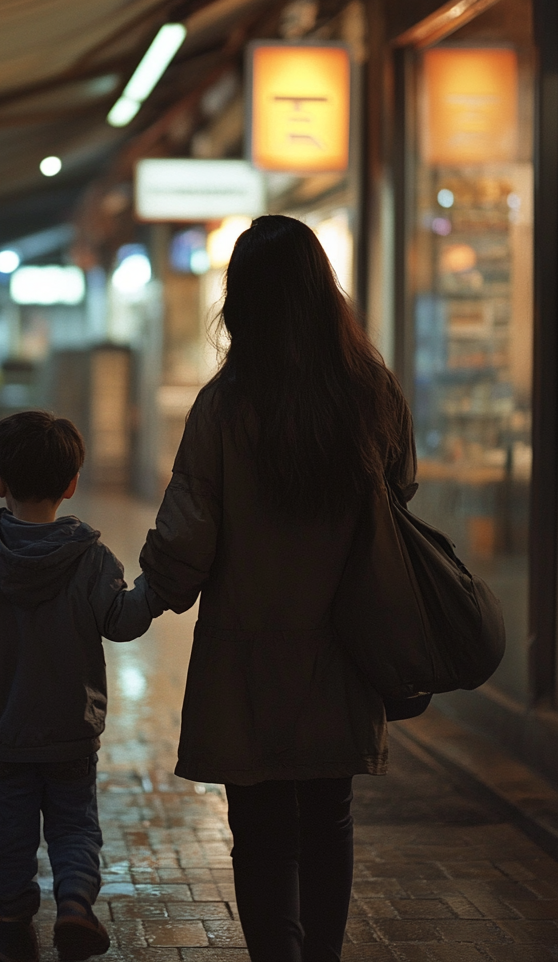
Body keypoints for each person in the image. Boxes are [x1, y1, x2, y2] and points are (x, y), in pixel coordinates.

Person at [139, 215, 417, 962]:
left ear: (242, 304)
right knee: (329, 818)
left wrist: (142, 595)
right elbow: (404, 490)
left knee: (261, 831)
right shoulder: (373, 395)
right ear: (323, 294)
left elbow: (187, 537)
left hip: (249, 656)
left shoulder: (226, 407)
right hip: (345, 644)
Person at [0, 411, 167, 962]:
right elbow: (123, 620)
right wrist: (157, 586)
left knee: (8, 835)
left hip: (1, 732)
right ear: (71, 484)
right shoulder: (91, 560)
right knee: (75, 825)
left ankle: (14, 929)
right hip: (68, 732)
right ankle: (76, 906)